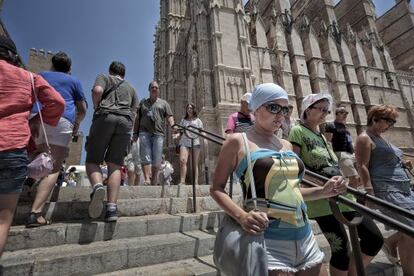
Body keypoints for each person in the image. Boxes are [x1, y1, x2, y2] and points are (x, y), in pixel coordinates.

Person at [211, 83, 348, 276]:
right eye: (273, 107)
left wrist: (323, 190)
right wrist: (242, 216)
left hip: (305, 237)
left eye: (285, 109)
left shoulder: (286, 144)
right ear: (256, 108)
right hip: (268, 241)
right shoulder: (237, 141)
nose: (280, 115)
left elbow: (293, 190)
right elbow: (216, 188)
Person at [289, 93, 383, 276]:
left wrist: (344, 179)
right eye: (321, 109)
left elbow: (331, 165)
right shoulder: (298, 131)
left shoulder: (322, 136)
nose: (325, 113)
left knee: (374, 238)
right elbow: (295, 166)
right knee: (341, 248)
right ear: (307, 110)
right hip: (321, 199)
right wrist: (320, 183)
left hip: (342, 194)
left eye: (327, 110)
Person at [0, 35, 65, 257]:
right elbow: (57, 102)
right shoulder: (28, 77)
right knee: (2, 220)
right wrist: (38, 119)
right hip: (12, 146)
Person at [26, 51, 87, 227]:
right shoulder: (74, 81)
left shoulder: (41, 76)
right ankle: (35, 213)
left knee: (36, 156)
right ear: (69, 68)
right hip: (62, 121)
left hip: (39, 119)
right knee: (53, 168)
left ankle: (29, 182)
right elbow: (82, 109)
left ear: (52, 64)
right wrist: (77, 123)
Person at [355, 105, 414, 275]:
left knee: (410, 229)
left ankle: (390, 242)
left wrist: (403, 163)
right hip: (387, 190)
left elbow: (387, 159)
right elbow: (362, 166)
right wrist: (369, 192)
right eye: (388, 121)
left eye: (393, 122)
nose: (391, 125)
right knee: (410, 231)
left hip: (403, 188)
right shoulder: (364, 138)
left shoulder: (381, 138)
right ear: (375, 118)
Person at [85, 61, 138, 222]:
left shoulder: (104, 77)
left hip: (105, 117)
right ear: (124, 74)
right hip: (125, 122)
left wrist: (96, 107)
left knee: (93, 160)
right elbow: (134, 111)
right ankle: (112, 209)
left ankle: (98, 186)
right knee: (115, 165)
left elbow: (97, 90)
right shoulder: (131, 88)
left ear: (110, 71)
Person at [133, 80, 176, 186]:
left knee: (157, 158)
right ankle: (147, 178)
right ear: (149, 89)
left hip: (158, 133)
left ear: (158, 89)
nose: (154, 89)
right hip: (144, 132)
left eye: (156, 87)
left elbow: (169, 116)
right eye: (152, 87)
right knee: (145, 156)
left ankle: (154, 179)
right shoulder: (143, 103)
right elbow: (137, 118)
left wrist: (173, 125)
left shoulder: (164, 103)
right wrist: (135, 133)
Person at [324, 105, 359, 188]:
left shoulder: (344, 126)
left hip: (351, 154)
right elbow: (327, 142)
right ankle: (350, 198)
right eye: (342, 112)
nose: (345, 114)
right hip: (341, 154)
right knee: (354, 178)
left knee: (359, 178)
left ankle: (347, 194)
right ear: (337, 114)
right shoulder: (331, 125)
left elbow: (349, 140)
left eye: (346, 112)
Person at [174, 103, 204, 185]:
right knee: (183, 160)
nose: (189, 109)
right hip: (184, 141)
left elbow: (202, 131)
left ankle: (196, 182)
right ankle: (182, 181)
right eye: (188, 108)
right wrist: (177, 134)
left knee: (195, 163)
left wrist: (205, 139)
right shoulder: (183, 120)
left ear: (193, 109)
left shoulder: (198, 120)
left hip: (195, 142)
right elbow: (181, 131)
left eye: (191, 108)